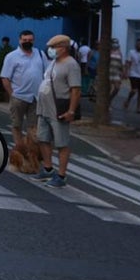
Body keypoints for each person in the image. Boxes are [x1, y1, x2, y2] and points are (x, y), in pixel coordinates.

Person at [34, 35, 81, 187]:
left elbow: (75, 90)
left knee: (61, 143)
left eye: (54, 47)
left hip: (58, 109)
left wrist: (71, 111)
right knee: (43, 138)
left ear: (64, 48)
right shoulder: (54, 62)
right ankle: (48, 169)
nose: (51, 50)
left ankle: (61, 176)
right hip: (44, 108)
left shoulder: (71, 65)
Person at [0, 30, 46, 148]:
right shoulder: (11, 57)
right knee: (16, 125)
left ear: (33, 41)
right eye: (25, 40)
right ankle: (20, 151)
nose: (27, 42)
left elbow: (48, 72)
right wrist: (12, 94)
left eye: (30, 40)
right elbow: (5, 77)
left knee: (34, 127)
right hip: (18, 97)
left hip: (35, 97)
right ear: (20, 40)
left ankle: (31, 151)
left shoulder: (40, 54)